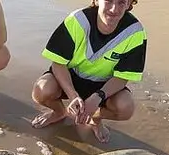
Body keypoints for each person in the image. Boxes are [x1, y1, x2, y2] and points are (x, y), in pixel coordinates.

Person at [30, 0, 147, 143]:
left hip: (104, 85)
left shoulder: (135, 32)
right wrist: (72, 95)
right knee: (41, 90)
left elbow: (122, 77)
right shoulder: (77, 21)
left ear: (129, 4)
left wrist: (98, 97)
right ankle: (59, 112)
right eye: (108, 1)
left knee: (125, 108)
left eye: (121, 2)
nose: (113, 9)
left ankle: (95, 119)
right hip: (70, 77)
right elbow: (58, 63)